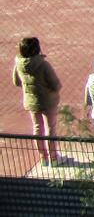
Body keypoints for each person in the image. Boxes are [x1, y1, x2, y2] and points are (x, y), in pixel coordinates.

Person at [12, 37, 62, 166]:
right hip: (47, 101)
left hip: (31, 100)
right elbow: (56, 84)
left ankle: (43, 158)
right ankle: (54, 158)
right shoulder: (43, 64)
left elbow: (16, 82)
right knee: (50, 128)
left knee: (37, 128)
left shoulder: (18, 63)